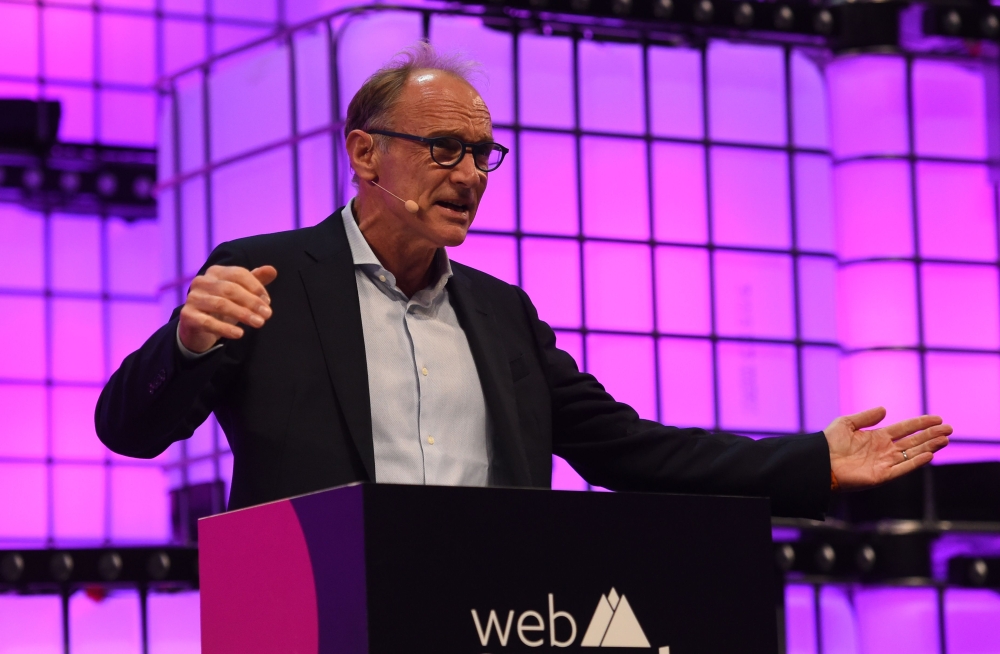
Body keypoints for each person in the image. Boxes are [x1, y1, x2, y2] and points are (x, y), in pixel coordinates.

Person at [95, 42, 951, 517]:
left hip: (491, 616)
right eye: (444, 149)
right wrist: (185, 345)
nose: (470, 175)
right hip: (323, 619)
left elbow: (629, 450)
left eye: (482, 154)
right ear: (365, 153)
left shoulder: (502, 315)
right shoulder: (267, 274)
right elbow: (130, 430)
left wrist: (812, 460)